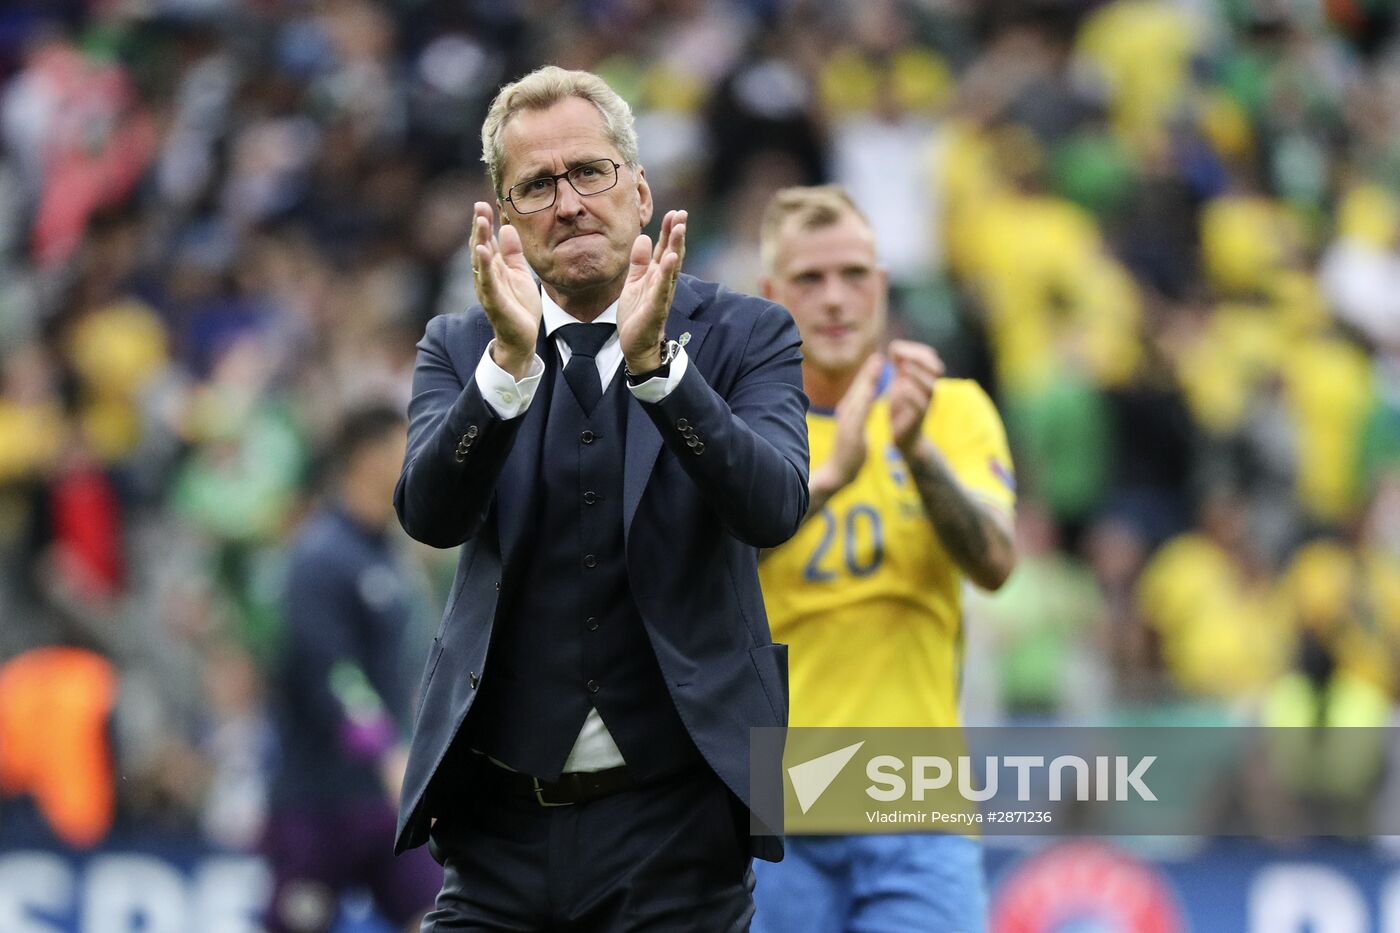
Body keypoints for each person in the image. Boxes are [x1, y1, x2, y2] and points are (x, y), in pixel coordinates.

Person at [393, 66, 810, 930]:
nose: (570, 202)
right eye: (537, 186)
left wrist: (661, 372)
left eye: (589, 171)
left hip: (681, 823)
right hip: (496, 825)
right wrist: (506, 372)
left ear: (640, 188)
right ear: (506, 218)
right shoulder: (460, 343)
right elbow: (429, 515)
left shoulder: (748, 333)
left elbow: (774, 508)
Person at [752, 186, 1018, 933]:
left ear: (882, 283)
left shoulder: (955, 409)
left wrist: (918, 453)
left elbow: (996, 563)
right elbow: (700, 564)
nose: (835, 298)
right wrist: (829, 476)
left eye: (853, 274)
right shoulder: (737, 427)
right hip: (769, 807)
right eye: (809, 279)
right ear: (771, 294)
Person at [263, 403, 442, 933]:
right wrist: (386, 750)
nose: (416, 458)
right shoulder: (319, 555)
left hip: (387, 804)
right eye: (403, 447)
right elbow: (333, 675)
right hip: (317, 801)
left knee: (435, 918)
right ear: (366, 459)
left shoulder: (390, 555)